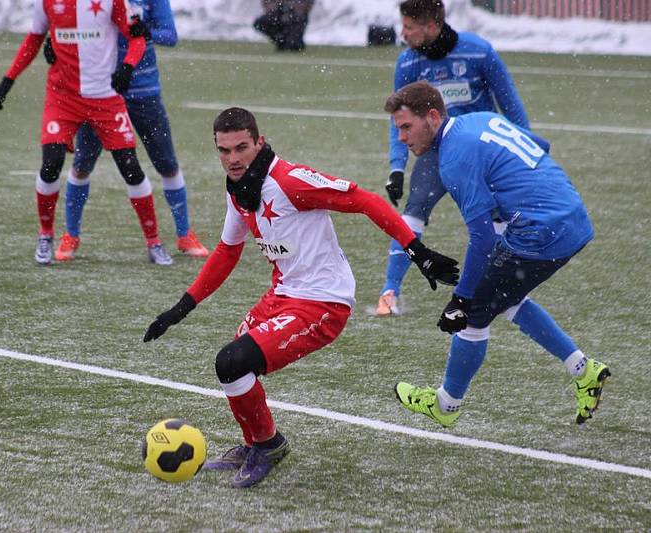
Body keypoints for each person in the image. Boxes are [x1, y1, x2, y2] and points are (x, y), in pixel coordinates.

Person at [143, 107, 459, 488]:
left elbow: (366, 200)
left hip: (324, 301)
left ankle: (268, 446)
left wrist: (418, 251)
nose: (233, 158)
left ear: (258, 142)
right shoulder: (239, 189)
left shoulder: (290, 181)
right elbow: (227, 251)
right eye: (224, 151)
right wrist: (181, 308)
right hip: (283, 293)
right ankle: (258, 442)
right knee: (233, 364)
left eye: (241, 147)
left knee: (233, 362)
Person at [387, 81, 610, 428]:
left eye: (406, 127)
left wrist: (460, 299)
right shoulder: (479, 119)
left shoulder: (454, 158)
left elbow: (482, 239)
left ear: (432, 116)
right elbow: (540, 145)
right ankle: (583, 369)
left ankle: (446, 406)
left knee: (476, 310)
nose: (401, 137)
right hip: (573, 218)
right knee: (505, 297)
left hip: (540, 231)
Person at [376, 0, 530, 316]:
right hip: (436, 155)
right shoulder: (408, 62)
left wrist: (524, 146)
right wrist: (396, 167)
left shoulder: (479, 51)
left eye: (409, 27)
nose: (403, 34)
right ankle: (389, 292)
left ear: (431, 26)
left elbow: (510, 105)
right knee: (412, 215)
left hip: (484, 154)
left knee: (499, 222)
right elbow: (399, 121)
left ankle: (499, 289)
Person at [0, 0, 174, 266]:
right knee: (51, 163)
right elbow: (34, 38)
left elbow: (138, 37)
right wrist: (8, 79)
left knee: (130, 168)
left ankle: (154, 241)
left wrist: (127, 67)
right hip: (62, 98)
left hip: (106, 99)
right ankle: (45, 236)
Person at [42, 0, 209, 263]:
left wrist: (144, 32)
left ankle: (184, 233)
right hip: (100, 92)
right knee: (82, 164)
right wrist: (53, 42)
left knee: (166, 164)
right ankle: (71, 235)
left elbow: (170, 35)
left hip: (143, 90)